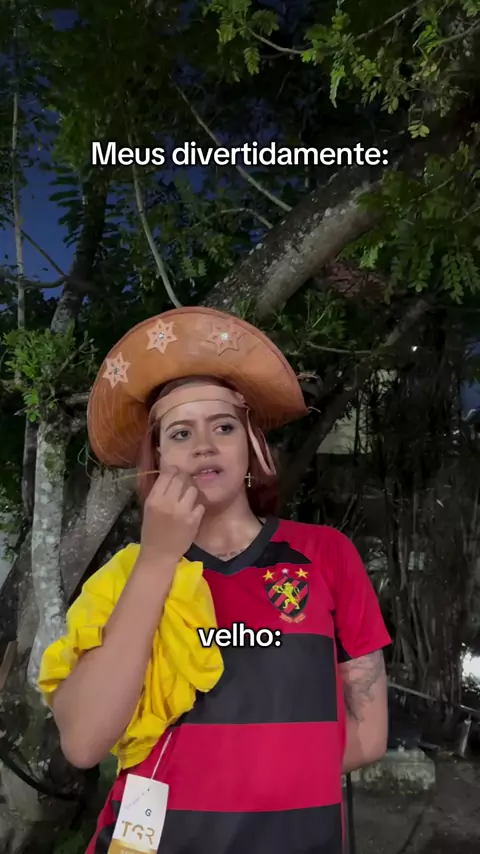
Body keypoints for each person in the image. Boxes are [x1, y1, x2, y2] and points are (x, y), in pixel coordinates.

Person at [38, 306, 390, 854]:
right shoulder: (123, 576)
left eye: (223, 426)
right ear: (158, 459)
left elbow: (368, 735)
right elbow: (83, 743)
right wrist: (158, 559)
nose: (204, 444)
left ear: (250, 445)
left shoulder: (326, 556)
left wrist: (252, 788)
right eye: (181, 433)